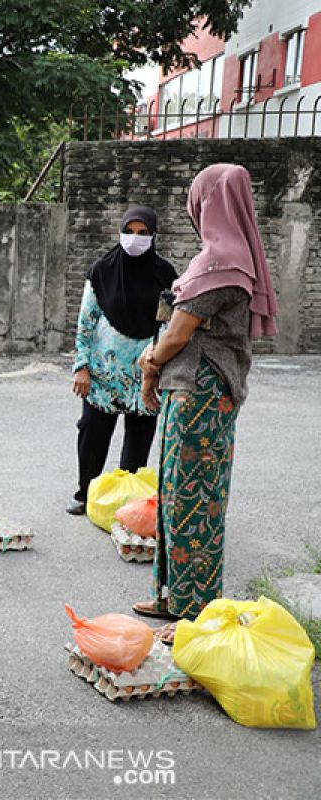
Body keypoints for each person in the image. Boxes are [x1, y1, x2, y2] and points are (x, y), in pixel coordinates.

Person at [133, 164, 278, 644]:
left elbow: (178, 332)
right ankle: (173, 595)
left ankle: (195, 612)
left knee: (196, 501)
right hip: (189, 389)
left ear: (210, 202)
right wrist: (156, 361)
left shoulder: (223, 260)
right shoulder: (219, 257)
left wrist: (151, 363)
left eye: (198, 198)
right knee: (174, 493)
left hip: (202, 392)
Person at [67, 206, 177, 515]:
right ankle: (85, 492)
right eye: (129, 231)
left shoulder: (165, 274)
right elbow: (86, 322)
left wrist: (156, 368)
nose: (134, 238)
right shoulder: (102, 270)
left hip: (145, 373)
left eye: (143, 233)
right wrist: (81, 366)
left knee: (139, 439)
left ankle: (125, 501)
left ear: (153, 236)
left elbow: (167, 325)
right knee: (92, 431)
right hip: (103, 373)